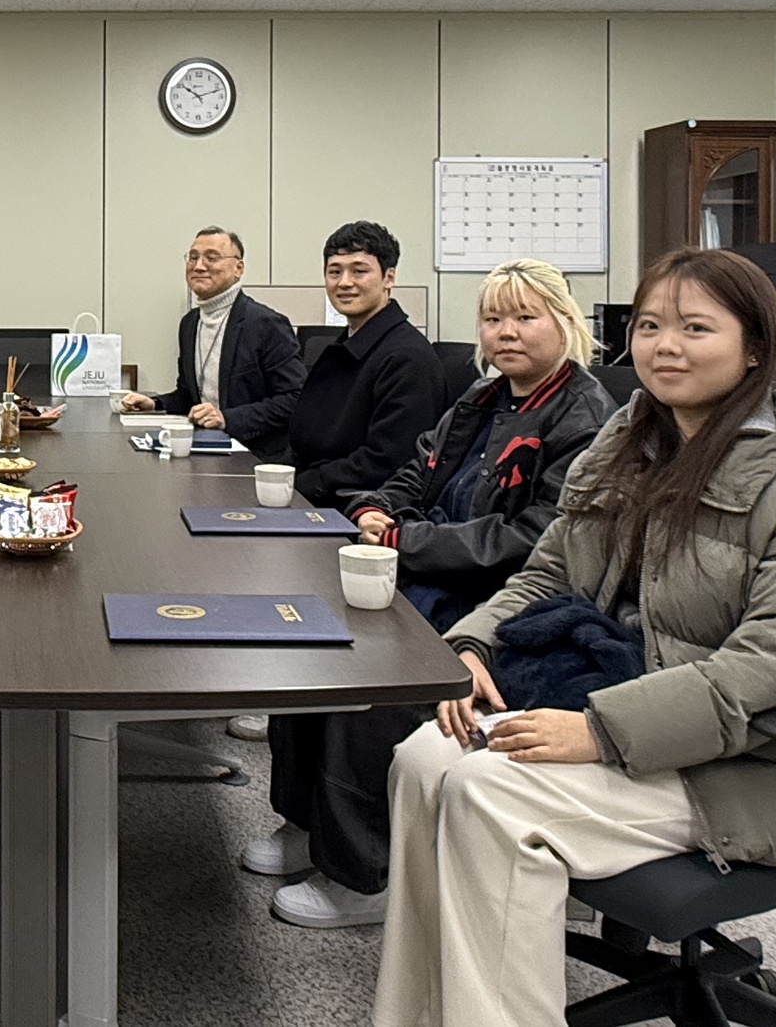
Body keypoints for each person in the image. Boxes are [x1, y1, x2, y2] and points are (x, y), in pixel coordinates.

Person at [374, 248, 776, 1027]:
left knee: (489, 791)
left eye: (694, 328)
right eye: (648, 325)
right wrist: (470, 645)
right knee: (421, 756)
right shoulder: (625, 451)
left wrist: (601, 732)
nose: (664, 345)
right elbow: (547, 576)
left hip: (759, 763)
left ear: (754, 349)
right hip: (615, 707)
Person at [249, 259, 617, 929]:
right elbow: (414, 469)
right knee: (306, 634)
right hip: (427, 566)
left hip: (501, 597)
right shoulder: (482, 397)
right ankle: (307, 822)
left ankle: (366, 873)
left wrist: (404, 544)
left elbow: (533, 539)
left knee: (373, 672)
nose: (505, 332)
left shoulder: (586, 420)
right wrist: (376, 510)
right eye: (493, 318)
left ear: (563, 323)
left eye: (525, 317)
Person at [287, 221, 444, 507]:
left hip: (358, 509)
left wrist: (303, 484)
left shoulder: (408, 358)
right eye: (335, 272)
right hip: (314, 493)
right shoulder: (342, 346)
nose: (344, 282)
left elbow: (388, 461)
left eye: (359, 271)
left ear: (389, 278)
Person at [119, 226, 305, 461]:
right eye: (193, 257)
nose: (198, 266)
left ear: (238, 268)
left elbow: (295, 399)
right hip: (204, 448)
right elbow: (189, 395)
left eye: (212, 258)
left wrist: (227, 418)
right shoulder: (190, 323)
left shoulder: (267, 324)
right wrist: (154, 403)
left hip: (255, 456)